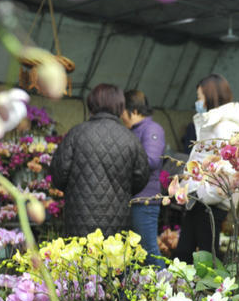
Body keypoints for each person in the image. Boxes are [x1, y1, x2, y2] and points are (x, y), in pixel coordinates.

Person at [50, 84, 149, 237]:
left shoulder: (75, 134)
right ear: (120, 106)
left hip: (78, 219)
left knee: (80, 258)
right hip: (118, 220)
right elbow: (141, 177)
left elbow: (58, 175)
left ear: (92, 103)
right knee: (113, 259)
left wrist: (76, 192)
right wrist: (121, 192)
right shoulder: (130, 139)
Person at [174, 74, 239, 262]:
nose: (197, 102)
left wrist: (204, 193)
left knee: (208, 259)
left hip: (209, 202)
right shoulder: (211, 124)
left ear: (211, 97)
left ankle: (209, 291)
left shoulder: (223, 127)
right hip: (199, 198)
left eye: (200, 97)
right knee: (185, 253)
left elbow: (229, 168)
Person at [122, 90, 166, 267]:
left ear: (133, 111)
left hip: (145, 200)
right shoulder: (136, 130)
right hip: (135, 199)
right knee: (135, 253)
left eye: (122, 112)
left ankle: (166, 290)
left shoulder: (152, 129)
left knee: (148, 251)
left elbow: (152, 160)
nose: (121, 117)